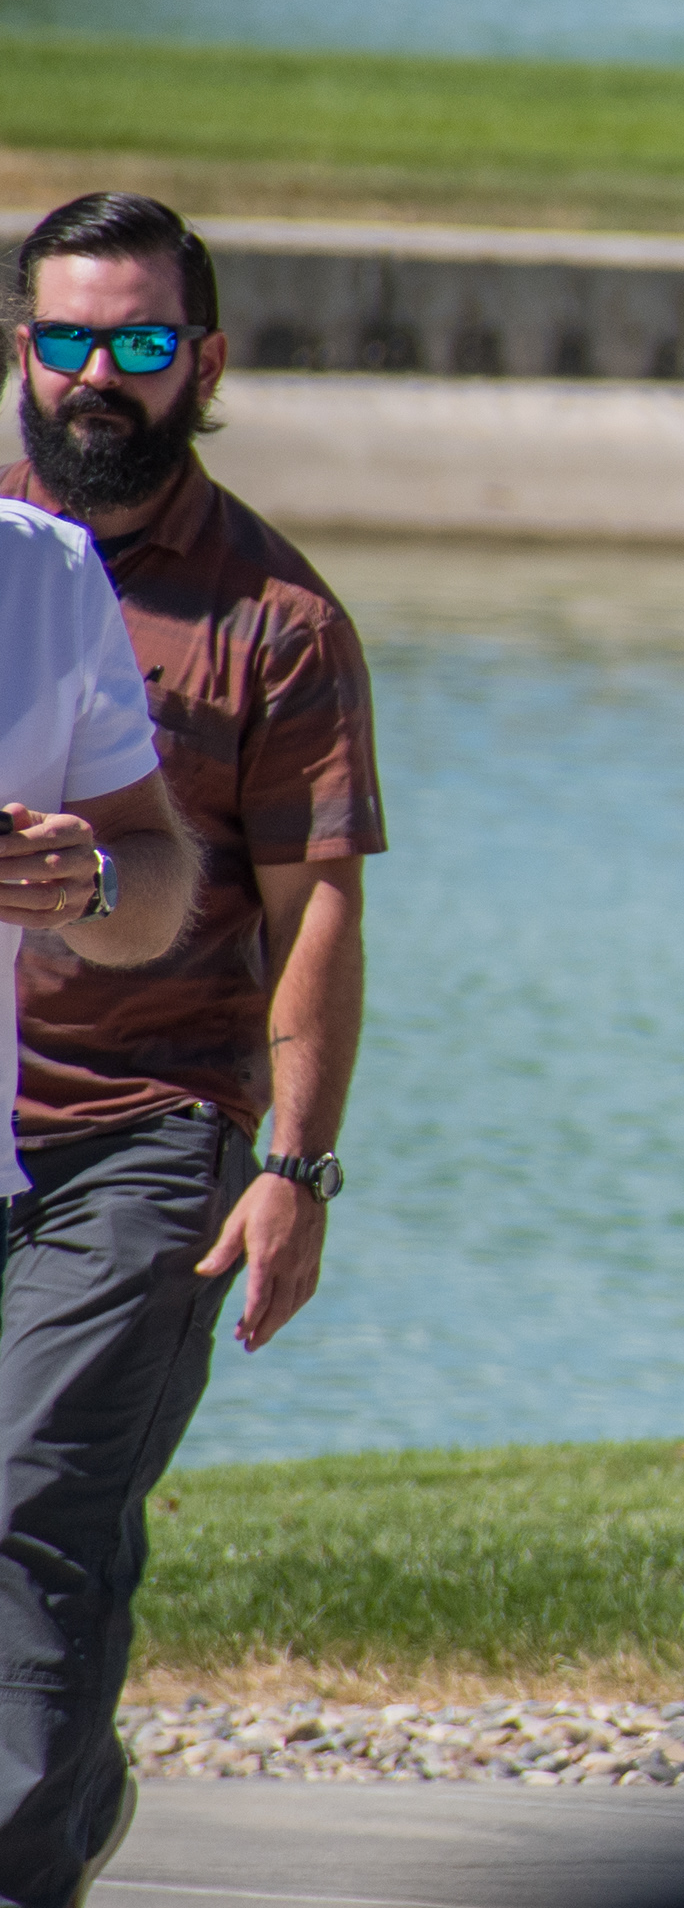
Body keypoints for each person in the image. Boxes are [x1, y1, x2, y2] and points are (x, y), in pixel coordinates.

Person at [2, 197, 335, 1907]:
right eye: (69, 339)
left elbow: (317, 911)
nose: (99, 379)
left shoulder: (276, 617)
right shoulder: (22, 573)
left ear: (204, 363)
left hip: (148, 1130)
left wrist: (293, 1162)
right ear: (22, 350)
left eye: (141, 345)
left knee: (35, 1497)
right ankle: (65, 1788)